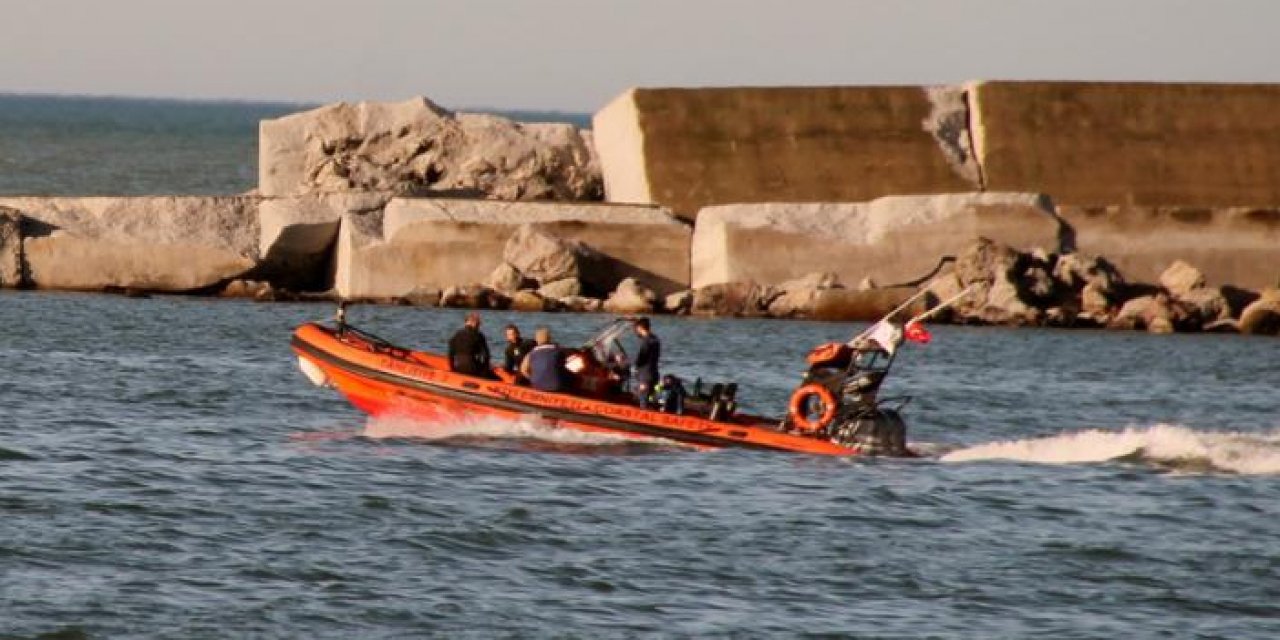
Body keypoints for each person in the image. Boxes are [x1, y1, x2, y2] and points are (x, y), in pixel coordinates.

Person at [447, 312, 494, 378]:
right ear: (473, 323)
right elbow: (486, 356)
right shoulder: (479, 335)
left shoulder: (456, 335)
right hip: (472, 368)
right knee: (495, 378)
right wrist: (485, 370)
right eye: (478, 324)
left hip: (458, 367)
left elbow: (450, 354)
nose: (479, 327)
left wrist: (453, 369)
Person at [520, 326, 566, 392]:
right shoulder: (558, 351)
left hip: (537, 386)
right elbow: (564, 367)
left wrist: (532, 378)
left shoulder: (531, 353)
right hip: (556, 387)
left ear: (536, 339)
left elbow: (523, 370)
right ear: (549, 338)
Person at [632, 317, 661, 408]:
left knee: (643, 400)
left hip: (645, 375)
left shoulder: (646, 341)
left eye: (636, 329)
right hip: (654, 374)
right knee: (649, 399)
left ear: (640, 328)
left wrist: (633, 364)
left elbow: (641, 357)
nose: (635, 331)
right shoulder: (655, 339)